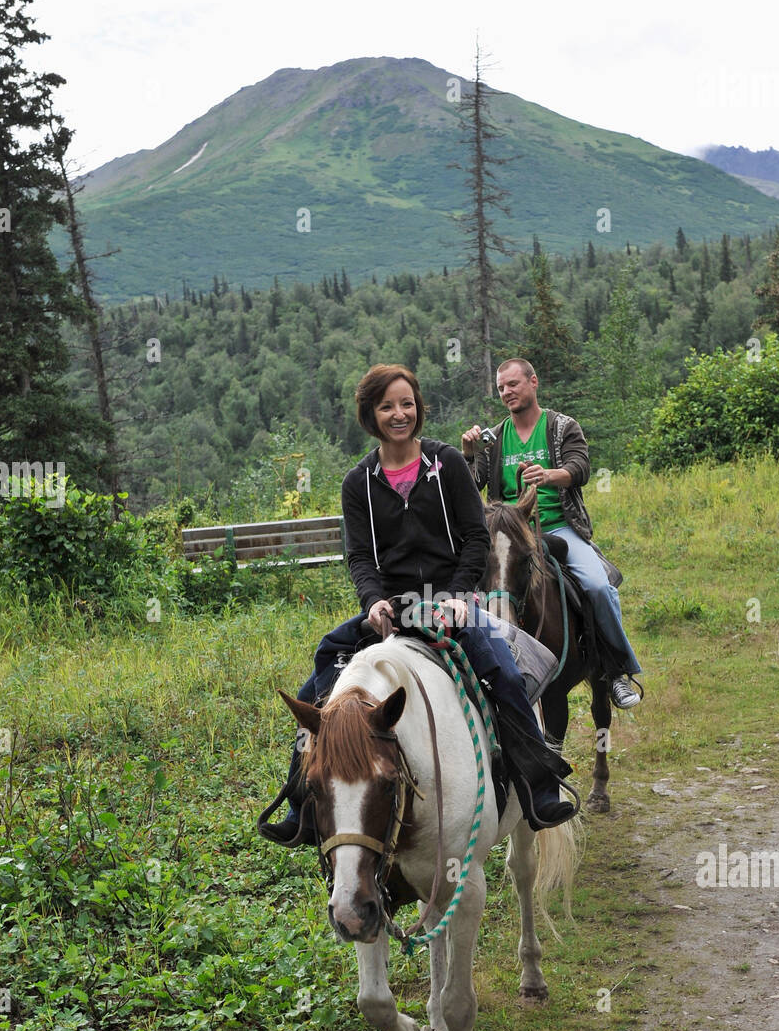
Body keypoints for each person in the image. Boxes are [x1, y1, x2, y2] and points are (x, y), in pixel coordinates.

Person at [266, 363, 577, 846]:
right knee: (322, 669)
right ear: (370, 414)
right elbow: (361, 556)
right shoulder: (358, 483)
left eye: (407, 404)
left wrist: (456, 597)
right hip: (392, 608)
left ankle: (538, 783)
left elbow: (476, 537)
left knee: (504, 670)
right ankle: (300, 802)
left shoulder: (447, 463)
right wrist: (372, 603)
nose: (399, 414)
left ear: (419, 408)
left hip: (449, 602)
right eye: (387, 406)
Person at [461, 357, 643, 708]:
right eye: (501, 388)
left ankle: (617, 670)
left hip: (560, 527)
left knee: (597, 586)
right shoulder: (495, 438)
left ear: (533, 381)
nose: (507, 392)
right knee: (465, 593)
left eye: (513, 384)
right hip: (507, 534)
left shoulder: (561, 426)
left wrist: (550, 475)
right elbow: (471, 491)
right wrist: (469, 456)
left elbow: (581, 467)